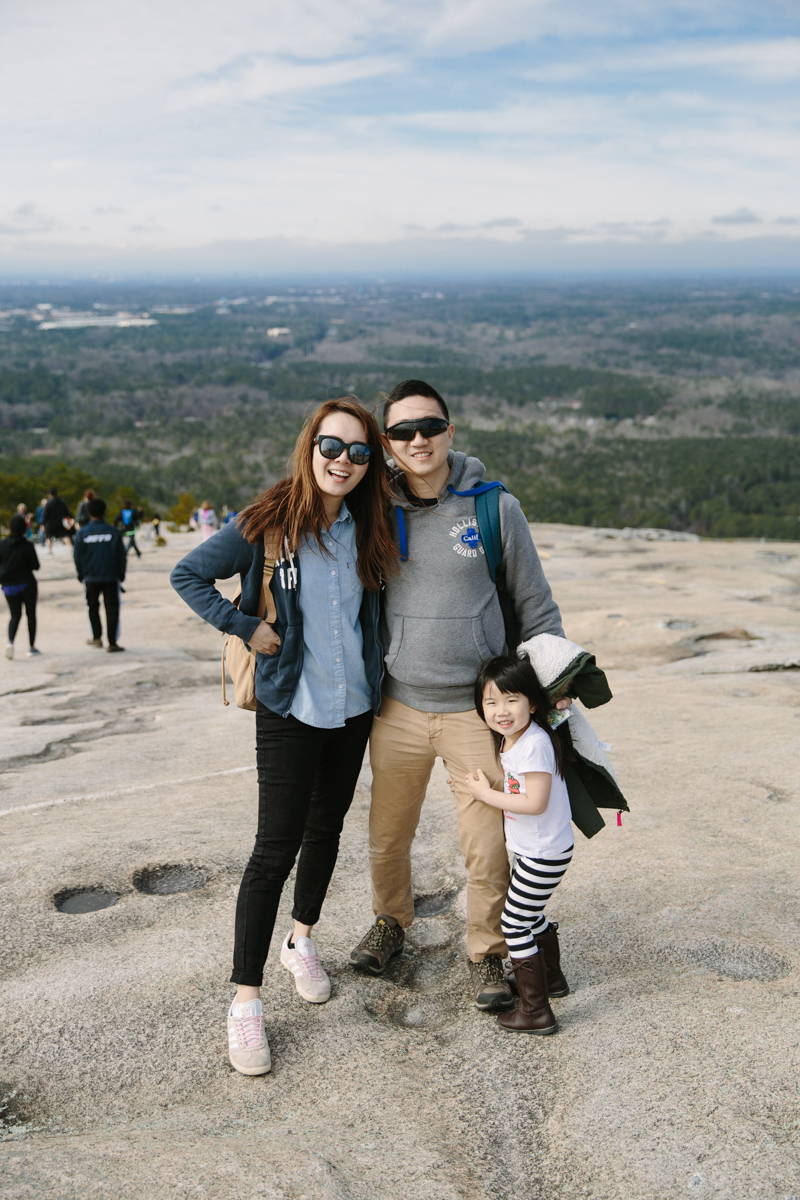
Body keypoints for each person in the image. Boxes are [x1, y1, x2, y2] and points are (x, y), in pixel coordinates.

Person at [170, 397, 397, 1077]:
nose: (344, 462)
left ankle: (301, 941)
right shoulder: (267, 521)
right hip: (289, 707)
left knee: (327, 829)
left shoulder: (371, 525)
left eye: (360, 452)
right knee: (275, 847)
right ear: (310, 447)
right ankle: (246, 1001)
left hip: (354, 706)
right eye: (333, 446)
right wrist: (244, 625)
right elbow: (188, 574)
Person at [349, 378, 568, 1012]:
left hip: (477, 714)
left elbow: (536, 605)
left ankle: (489, 950)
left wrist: (551, 692)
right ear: (387, 443)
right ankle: (391, 922)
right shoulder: (373, 510)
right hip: (398, 705)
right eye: (401, 432)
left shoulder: (495, 507)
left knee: (488, 843)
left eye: (429, 427)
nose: (418, 440)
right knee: (388, 835)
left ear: (450, 430)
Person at [466, 654, 573, 1035]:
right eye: (490, 702)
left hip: (545, 853)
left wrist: (483, 794)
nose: (501, 711)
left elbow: (535, 802)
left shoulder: (534, 744)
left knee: (513, 924)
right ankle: (551, 980)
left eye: (511, 699)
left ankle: (535, 1011)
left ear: (531, 701)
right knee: (530, 916)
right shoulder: (516, 740)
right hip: (537, 849)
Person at [73, 498, 127, 652]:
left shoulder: (82, 533)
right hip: (111, 576)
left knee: (92, 607)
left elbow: (77, 556)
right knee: (112, 608)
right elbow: (121, 556)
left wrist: (80, 574)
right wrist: (121, 575)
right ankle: (112, 642)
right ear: (104, 512)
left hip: (90, 577)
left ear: (89, 513)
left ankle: (97, 638)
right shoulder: (113, 532)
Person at [1, 514, 40, 659]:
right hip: (27, 584)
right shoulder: (27, 546)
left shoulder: (2, 545)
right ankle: (31, 647)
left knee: (15, 615)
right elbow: (36, 566)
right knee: (31, 615)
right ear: (24, 528)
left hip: (9, 586)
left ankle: (10, 642)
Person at [42, 488, 73, 554]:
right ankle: (71, 548)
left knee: (48, 537)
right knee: (64, 535)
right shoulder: (62, 502)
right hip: (60, 522)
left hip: (50, 523)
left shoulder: (49, 503)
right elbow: (67, 512)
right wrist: (70, 519)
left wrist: (43, 524)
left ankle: (50, 551)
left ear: (49, 494)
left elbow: (45, 515)